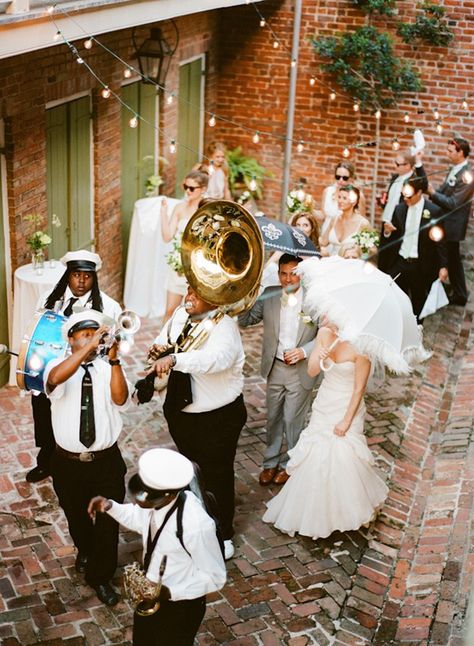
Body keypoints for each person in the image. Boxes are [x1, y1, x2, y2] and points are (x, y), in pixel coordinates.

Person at [88, 448, 226, 646]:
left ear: (169, 495)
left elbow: (215, 577)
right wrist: (111, 506)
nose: (137, 501)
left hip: (181, 605)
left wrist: (171, 592)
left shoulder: (195, 526)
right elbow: (139, 519)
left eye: (146, 498)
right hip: (152, 594)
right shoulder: (157, 503)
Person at [263, 323, 389, 539]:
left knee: (344, 456)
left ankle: (345, 510)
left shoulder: (363, 346)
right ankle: (314, 511)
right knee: (316, 454)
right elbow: (312, 371)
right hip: (325, 402)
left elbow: (359, 389)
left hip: (346, 405)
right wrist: (319, 355)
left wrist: (346, 421)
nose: (327, 319)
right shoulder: (324, 333)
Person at [148, 286, 247, 560]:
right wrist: (159, 352)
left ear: (213, 298)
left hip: (218, 418)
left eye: (196, 294)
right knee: (193, 474)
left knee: (218, 477)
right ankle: (198, 524)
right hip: (182, 414)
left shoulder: (224, 326)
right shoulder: (180, 316)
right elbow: (163, 340)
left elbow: (215, 360)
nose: (187, 297)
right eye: (188, 291)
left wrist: (175, 359)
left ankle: (224, 534)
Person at [44, 310, 131, 606]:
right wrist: (88, 349)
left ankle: (101, 577)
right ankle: (85, 548)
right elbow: (55, 379)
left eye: (96, 333)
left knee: (108, 521)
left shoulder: (108, 367)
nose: (92, 339)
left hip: (106, 460)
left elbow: (120, 399)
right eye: (84, 334)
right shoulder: (57, 364)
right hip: (67, 463)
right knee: (76, 516)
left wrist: (115, 359)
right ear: (71, 338)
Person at [26, 250, 122, 484]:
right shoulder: (49, 298)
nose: (81, 281)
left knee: (76, 417)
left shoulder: (108, 307)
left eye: (87, 276)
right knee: (43, 413)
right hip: (51, 370)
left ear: (94, 277)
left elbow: (113, 345)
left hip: (83, 375)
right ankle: (46, 460)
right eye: (76, 274)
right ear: (68, 275)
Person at [238, 254, 318, 486]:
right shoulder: (270, 294)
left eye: (293, 273)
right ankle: (270, 462)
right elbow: (246, 320)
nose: (287, 278)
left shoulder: (314, 299)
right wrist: (245, 296)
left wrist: (303, 351)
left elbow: (326, 332)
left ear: (301, 274)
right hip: (275, 367)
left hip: (300, 368)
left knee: (293, 419)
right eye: (283, 273)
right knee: (273, 417)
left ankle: (289, 464)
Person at [387, 176, 448, 321]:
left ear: (420, 192)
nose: (405, 199)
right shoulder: (399, 209)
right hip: (400, 262)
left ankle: (416, 331)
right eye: (403, 196)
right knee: (395, 302)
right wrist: (387, 232)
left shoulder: (433, 211)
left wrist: (443, 266)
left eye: (409, 196)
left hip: (421, 266)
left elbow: (441, 242)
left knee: (418, 303)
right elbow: (392, 238)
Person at [427, 137, 474, 306]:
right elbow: (444, 191)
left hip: (453, 223)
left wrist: (432, 194)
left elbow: (454, 203)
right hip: (444, 221)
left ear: (461, 152)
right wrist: (433, 193)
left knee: (453, 259)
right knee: (452, 258)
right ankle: (458, 292)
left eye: (450, 151)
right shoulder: (454, 169)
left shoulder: (467, 175)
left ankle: (460, 294)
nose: (447, 154)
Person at [160, 170, 209, 322]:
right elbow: (167, 236)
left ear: (203, 189)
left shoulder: (206, 211)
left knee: (193, 313)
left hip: (196, 269)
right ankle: (163, 343)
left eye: (192, 188)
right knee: (169, 311)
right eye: (185, 186)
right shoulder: (179, 208)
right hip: (177, 267)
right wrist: (163, 212)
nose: (187, 191)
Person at [378, 151, 426, 272]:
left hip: (398, 225)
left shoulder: (413, 181)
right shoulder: (395, 178)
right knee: (382, 258)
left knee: (392, 262)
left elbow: (424, 185)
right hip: (386, 222)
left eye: (398, 164)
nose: (395, 166)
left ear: (408, 165)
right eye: (395, 163)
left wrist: (419, 162)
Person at [319, 185, 370, 256]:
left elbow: (369, 250)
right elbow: (323, 242)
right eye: (339, 197)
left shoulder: (363, 223)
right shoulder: (334, 219)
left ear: (354, 202)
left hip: (351, 263)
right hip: (331, 262)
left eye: (344, 198)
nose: (340, 201)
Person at [320, 161, 366, 234]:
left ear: (351, 178)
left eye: (345, 178)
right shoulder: (327, 191)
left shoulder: (358, 196)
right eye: (338, 177)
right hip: (326, 233)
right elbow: (323, 216)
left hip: (346, 234)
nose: (340, 180)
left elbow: (361, 222)